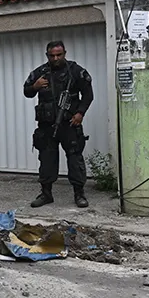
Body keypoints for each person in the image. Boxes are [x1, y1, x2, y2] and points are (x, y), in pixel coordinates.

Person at [23, 40, 94, 208]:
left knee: (75, 159)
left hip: (69, 124)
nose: (55, 58)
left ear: (64, 53)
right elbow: (26, 92)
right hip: (47, 126)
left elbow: (88, 95)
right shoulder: (40, 73)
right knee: (47, 160)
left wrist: (80, 113)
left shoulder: (75, 71)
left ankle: (79, 194)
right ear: (47, 55)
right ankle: (46, 194)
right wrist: (35, 86)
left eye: (59, 55)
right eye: (52, 55)